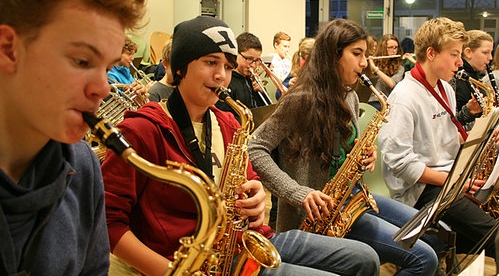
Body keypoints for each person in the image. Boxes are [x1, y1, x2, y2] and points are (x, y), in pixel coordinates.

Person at [101, 16, 380, 276]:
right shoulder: (141, 130)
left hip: (247, 240)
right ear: (181, 67)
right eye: (211, 63)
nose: (222, 76)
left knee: (365, 258)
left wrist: (258, 196)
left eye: (228, 66)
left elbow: (251, 179)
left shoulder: (230, 123)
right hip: (190, 260)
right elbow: (108, 222)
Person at [249, 18, 443, 276]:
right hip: (319, 214)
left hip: (352, 200)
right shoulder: (300, 100)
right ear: (333, 55)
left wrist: (366, 154)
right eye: (357, 54)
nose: (364, 63)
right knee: (423, 259)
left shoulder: (349, 96)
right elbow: (256, 148)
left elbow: (348, 150)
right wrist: (298, 192)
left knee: (428, 231)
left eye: (365, 55)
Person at [0, 0, 146, 275]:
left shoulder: (83, 164)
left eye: (108, 68)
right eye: (82, 61)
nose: (103, 89)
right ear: (8, 48)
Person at [378, 17, 499, 276]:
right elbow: (400, 162)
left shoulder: (445, 89)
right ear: (431, 53)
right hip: (421, 192)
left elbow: (450, 138)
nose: (460, 62)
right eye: (454, 55)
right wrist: (452, 181)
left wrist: (485, 138)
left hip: (448, 182)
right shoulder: (405, 97)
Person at [215, 32, 269, 117]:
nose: (253, 65)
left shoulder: (251, 79)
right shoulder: (227, 81)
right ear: (236, 54)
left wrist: (262, 92)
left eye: (257, 60)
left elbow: (265, 110)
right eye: (249, 59)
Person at [453, 30, 493, 129]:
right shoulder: (457, 79)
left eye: (491, 52)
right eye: (485, 53)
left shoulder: (475, 75)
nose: (490, 57)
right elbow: (453, 124)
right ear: (468, 52)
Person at [366, 34, 405, 110]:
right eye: (390, 48)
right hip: (370, 101)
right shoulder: (373, 61)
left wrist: (376, 69)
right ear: (383, 48)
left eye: (396, 48)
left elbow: (392, 84)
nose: (394, 51)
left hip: (385, 103)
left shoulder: (400, 68)